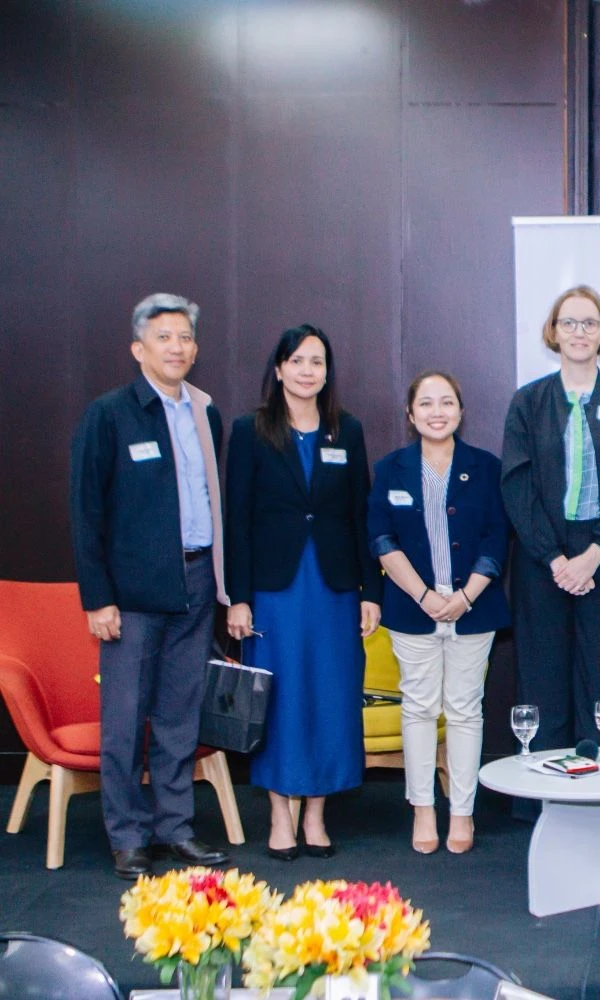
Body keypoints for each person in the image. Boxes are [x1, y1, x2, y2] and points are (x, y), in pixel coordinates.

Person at [69, 292, 231, 879]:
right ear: (139, 348)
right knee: (125, 717)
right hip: (131, 595)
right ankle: (128, 835)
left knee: (179, 715)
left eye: (185, 337)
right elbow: (85, 511)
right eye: (164, 337)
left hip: (193, 579)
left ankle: (174, 829)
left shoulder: (205, 413)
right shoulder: (109, 414)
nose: (177, 346)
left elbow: (217, 502)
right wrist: (98, 597)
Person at [224, 325, 381, 861]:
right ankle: (279, 815)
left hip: (335, 589)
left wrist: (371, 590)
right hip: (275, 590)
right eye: (298, 360)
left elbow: (362, 514)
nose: (308, 370)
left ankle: (315, 813)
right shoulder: (250, 431)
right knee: (280, 699)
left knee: (331, 697)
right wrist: (238, 597)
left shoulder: (348, 430)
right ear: (279, 369)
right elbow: (237, 520)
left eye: (318, 361)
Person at [501, 286, 600, 756]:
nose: (579, 332)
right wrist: (557, 559)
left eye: (589, 323)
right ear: (553, 331)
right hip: (541, 556)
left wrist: (593, 555)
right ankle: (545, 799)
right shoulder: (528, 402)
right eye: (569, 322)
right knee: (542, 678)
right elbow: (517, 486)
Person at [368, 372, 510, 854]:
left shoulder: (485, 467)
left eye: (446, 402)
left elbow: (496, 536)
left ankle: (463, 812)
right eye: (426, 403)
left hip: (473, 607)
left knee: (466, 711)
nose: (436, 410)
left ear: (460, 411)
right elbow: (381, 538)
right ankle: (423, 808)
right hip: (413, 609)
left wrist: (465, 595)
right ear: (410, 415)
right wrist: (424, 595)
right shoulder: (391, 469)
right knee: (420, 708)